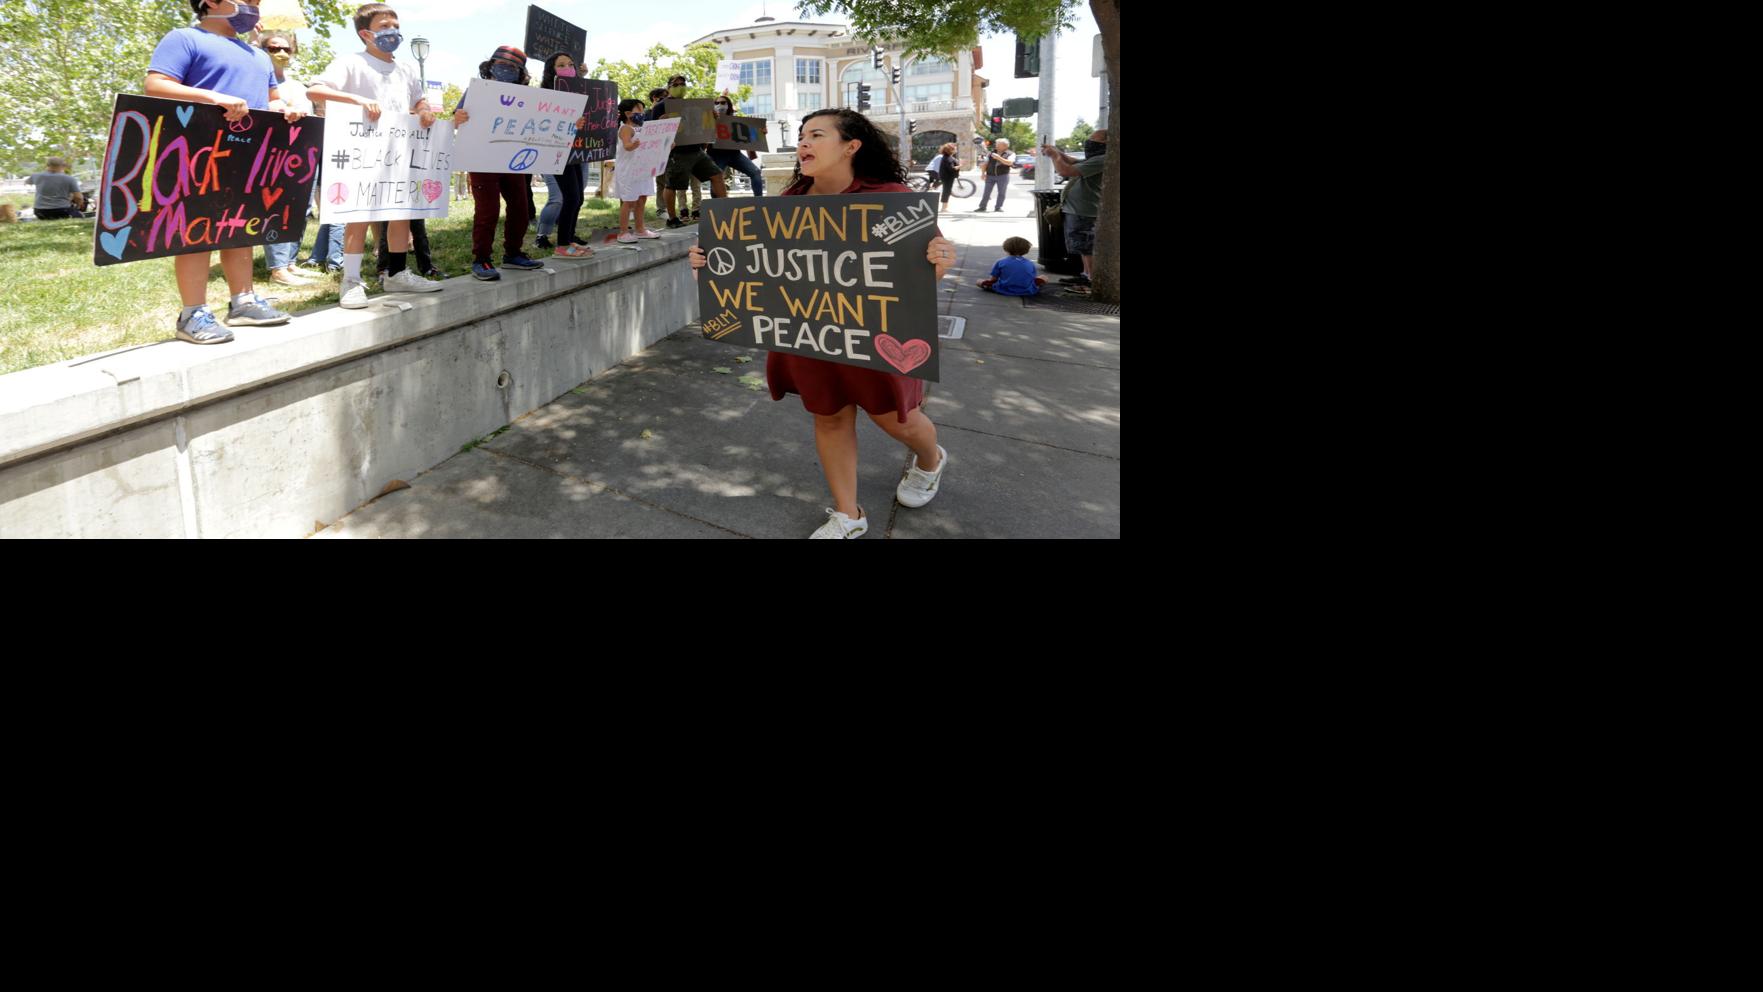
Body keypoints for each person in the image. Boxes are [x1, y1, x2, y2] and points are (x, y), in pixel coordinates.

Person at [689, 108, 959, 539]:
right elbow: (757, 267)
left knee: (897, 421)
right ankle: (848, 515)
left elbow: (917, 279)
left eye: (816, 135)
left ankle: (930, 461)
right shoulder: (788, 205)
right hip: (810, 332)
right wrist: (710, 263)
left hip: (879, 336)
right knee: (829, 417)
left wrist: (939, 263)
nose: (803, 144)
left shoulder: (891, 198)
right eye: (801, 136)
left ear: (852, 146)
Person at [145, 0, 305, 343]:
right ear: (211, 3)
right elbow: (156, 85)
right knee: (196, 233)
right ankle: (192, 313)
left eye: (257, 3)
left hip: (249, 156)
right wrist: (213, 97)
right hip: (198, 154)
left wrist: (286, 109)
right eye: (247, 0)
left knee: (242, 227)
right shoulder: (185, 38)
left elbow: (271, 100)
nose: (253, 7)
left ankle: (243, 301)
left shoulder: (258, 56)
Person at [305, 3, 445, 308]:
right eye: (384, 26)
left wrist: (424, 112)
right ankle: (351, 280)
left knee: (401, 213)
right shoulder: (351, 63)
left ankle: (397, 272)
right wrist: (357, 99)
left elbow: (418, 100)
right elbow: (315, 91)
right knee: (359, 215)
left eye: (395, 24)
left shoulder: (405, 69)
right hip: (361, 152)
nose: (392, 31)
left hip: (398, 152)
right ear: (365, 33)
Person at [455, 45, 553, 278]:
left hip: (511, 160)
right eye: (502, 65)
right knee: (488, 211)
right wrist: (458, 117)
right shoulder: (476, 91)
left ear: (521, 73)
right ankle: (482, 259)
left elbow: (543, 121)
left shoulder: (528, 98)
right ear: (490, 66)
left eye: (513, 67)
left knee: (520, 207)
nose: (507, 70)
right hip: (482, 159)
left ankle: (513, 253)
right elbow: (457, 119)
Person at [254, 30, 317, 286]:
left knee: (302, 208)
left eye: (286, 49)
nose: (281, 53)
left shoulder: (298, 87)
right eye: (273, 48)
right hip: (272, 154)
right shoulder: (258, 83)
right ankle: (277, 268)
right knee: (278, 208)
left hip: (303, 154)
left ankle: (290, 262)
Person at [648, 73, 726, 228]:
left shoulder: (692, 105)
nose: (680, 87)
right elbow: (652, 130)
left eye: (682, 84)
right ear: (668, 87)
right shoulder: (660, 106)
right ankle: (672, 218)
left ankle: (726, 211)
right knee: (671, 185)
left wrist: (712, 117)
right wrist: (661, 121)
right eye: (676, 84)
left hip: (696, 150)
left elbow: (702, 126)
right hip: (676, 153)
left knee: (717, 175)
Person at [1041, 130, 1106, 292]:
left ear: (1105, 142)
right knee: (1082, 245)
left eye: (1093, 139)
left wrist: (1054, 156)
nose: (1089, 142)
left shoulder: (1103, 159)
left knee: (1086, 245)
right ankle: (1085, 275)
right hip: (1079, 209)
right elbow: (1073, 161)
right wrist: (1057, 152)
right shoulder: (1095, 159)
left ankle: (1091, 280)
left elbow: (1067, 171)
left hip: (1085, 210)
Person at [541, 52, 592, 257]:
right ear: (551, 70)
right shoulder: (545, 94)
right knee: (570, 197)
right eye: (561, 65)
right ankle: (562, 245)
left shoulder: (577, 91)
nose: (568, 67)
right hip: (557, 152)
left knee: (578, 197)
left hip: (576, 151)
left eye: (570, 64)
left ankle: (569, 238)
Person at [612, 98, 662, 243]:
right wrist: (635, 145)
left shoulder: (643, 129)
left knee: (642, 198)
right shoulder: (625, 128)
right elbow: (627, 146)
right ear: (628, 113)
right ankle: (623, 232)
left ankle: (640, 229)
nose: (642, 113)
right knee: (629, 202)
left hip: (643, 169)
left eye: (642, 109)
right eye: (638, 110)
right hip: (629, 171)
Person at [707, 94, 765, 197]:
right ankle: (715, 208)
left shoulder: (737, 121)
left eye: (723, 103)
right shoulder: (708, 119)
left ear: (728, 105)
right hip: (716, 155)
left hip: (734, 155)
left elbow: (750, 136)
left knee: (755, 172)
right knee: (716, 180)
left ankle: (759, 201)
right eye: (717, 103)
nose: (720, 105)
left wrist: (760, 132)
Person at [977, 237, 1046, 295]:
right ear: (1026, 250)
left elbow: (993, 279)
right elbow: (1032, 278)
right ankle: (1034, 287)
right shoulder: (1030, 263)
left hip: (1004, 289)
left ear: (1006, 248)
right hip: (1027, 291)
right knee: (1044, 277)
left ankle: (996, 288)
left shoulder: (1000, 262)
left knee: (979, 281)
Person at [26, 156, 84, 221]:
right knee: (79, 216)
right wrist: (77, 206)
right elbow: (79, 197)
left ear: (47, 165)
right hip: (62, 210)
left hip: (40, 211)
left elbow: (27, 182)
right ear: (63, 166)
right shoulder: (70, 179)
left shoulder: (35, 176)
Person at [975, 137, 1014, 212]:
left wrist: (999, 158)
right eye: (996, 144)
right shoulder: (990, 153)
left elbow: (1009, 162)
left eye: (998, 145)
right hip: (990, 175)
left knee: (1001, 192)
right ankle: (982, 207)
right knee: (986, 192)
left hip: (1003, 175)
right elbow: (985, 163)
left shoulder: (1011, 153)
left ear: (1005, 146)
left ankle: (998, 207)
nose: (996, 146)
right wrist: (983, 173)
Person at [927, 141, 959, 211]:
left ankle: (944, 207)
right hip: (947, 176)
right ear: (950, 150)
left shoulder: (947, 157)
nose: (956, 150)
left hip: (945, 176)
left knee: (946, 190)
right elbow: (951, 169)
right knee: (946, 191)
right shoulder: (948, 158)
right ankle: (944, 208)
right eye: (955, 149)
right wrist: (960, 165)